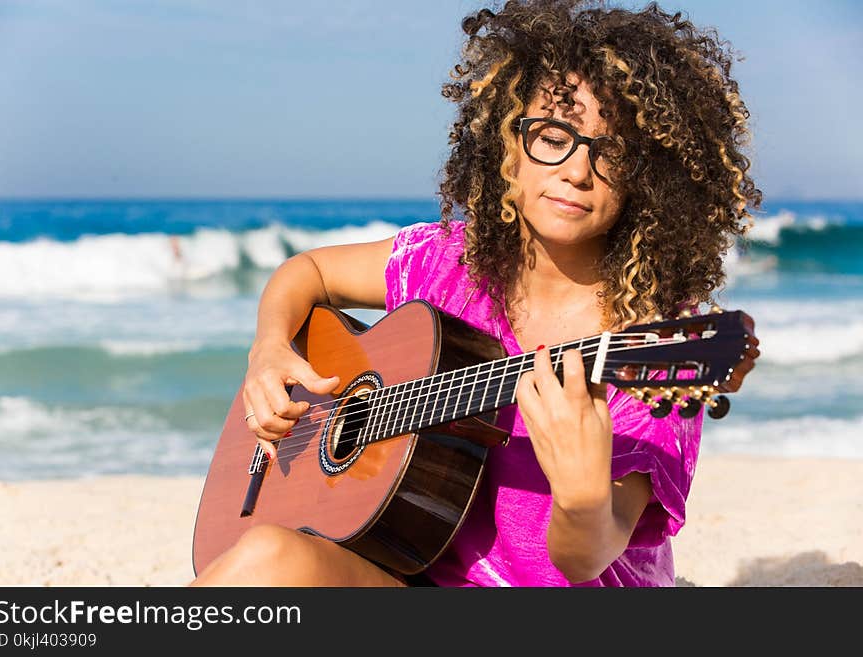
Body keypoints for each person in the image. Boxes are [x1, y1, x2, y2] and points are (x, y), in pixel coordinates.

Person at [190, 0, 760, 587]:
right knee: (266, 557)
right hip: (415, 578)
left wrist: (582, 493)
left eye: (613, 152)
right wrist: (268, 350)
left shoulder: (647, 341)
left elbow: (585, 560)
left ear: (653, 181)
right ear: (506, 145)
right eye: (552, 136)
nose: (576, 171)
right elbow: (306, 271)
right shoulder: (446, 264)